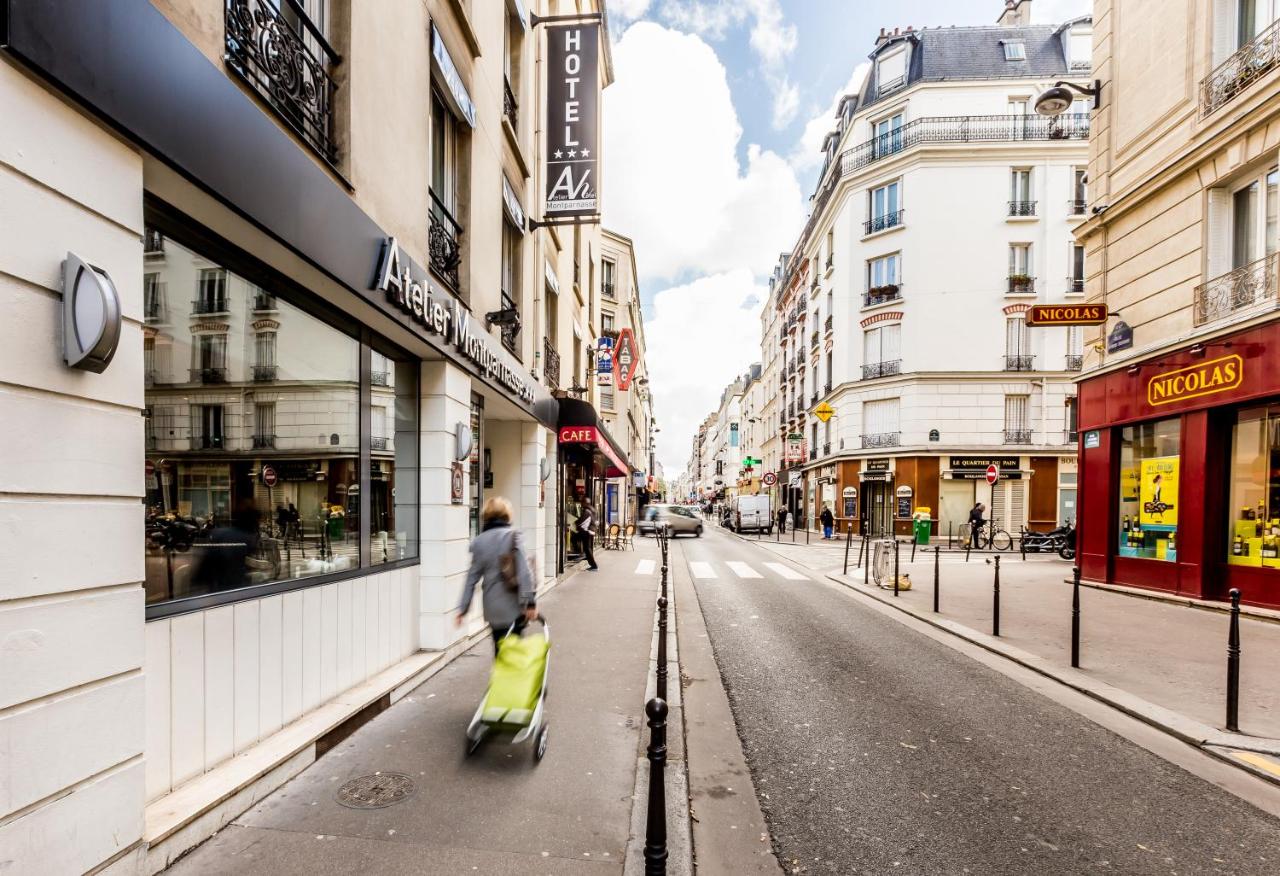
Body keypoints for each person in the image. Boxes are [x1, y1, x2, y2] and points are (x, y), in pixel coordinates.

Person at [456, 496, 537, 650]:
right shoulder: (513, 537)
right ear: (507, 515)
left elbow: (471, 579)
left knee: (501, 650)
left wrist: (462, 608)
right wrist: (530, 603)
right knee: (515, 653)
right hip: (513, 607)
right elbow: (524, 573)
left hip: (492, 609)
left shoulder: (479, 542)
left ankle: (502, 672)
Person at [575, 501, 599, 570]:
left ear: (585, 503)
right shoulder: (592, 509)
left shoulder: (587, 511)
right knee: (587, 548)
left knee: (575, 539)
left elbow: (582, 521)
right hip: (590, 531)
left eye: (582, 502)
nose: (581, 504)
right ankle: (583, 555)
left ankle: (594, 566)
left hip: (588, 531)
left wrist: (576, 523)